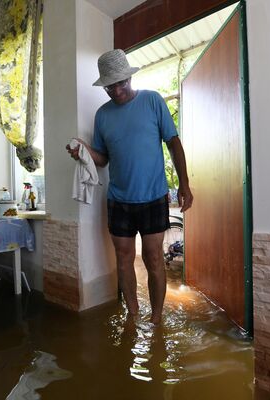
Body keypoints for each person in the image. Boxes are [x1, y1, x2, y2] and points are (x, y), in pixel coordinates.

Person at [66, 49, 193, 324]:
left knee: (153, 258)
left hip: (153, 196)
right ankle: (133, 315)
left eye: (121, 82)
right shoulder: (103, 116)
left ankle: (157, 318)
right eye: (110, 85)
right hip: (119, 200)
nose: (117, 90)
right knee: (123, 259)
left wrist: (184, 183)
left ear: (129, 78)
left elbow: (173, 143)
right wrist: (86, 151)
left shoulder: (152, 100)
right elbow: (102, 160)